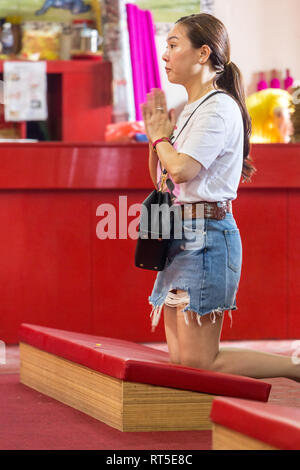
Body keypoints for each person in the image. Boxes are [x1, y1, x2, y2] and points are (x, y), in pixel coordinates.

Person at [141, 13, 300, 382]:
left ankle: (294, 369)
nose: (165, 54)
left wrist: (162, 139)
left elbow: (183, 170)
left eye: (174, 44)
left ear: (203, 54)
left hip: (208, 236)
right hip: (180, 233)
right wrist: (157, 136)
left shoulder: (218, 107)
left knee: (201, 361)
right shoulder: (189, 109)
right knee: (183, 359)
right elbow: (165, 179)